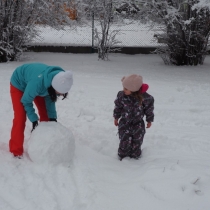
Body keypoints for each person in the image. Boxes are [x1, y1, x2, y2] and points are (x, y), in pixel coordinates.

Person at [9, 63, 73, 159]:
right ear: (53, 87)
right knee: (20, 117)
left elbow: (50, 100)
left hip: (38, 84)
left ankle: (44, 144)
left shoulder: (61, 79)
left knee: (46, 116)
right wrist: (34, 119)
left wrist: (52, 118)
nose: (59, 95)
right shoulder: (37, 83)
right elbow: (26, 101)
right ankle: (16, 151)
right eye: (58, 93)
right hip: (19, 84)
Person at [113, 74, 154, 160]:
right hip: (125, 122)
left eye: (126, 89)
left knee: (137, 141)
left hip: (138, 124)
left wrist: (149, 120)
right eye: (123, 88)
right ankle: (122, 156)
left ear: (134, 89)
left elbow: (149, 109)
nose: (124, 90)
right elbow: (118, 107)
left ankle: (135, 157)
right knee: (124, 140)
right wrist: (116, 117)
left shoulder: (145, 98)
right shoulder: (122, 96)